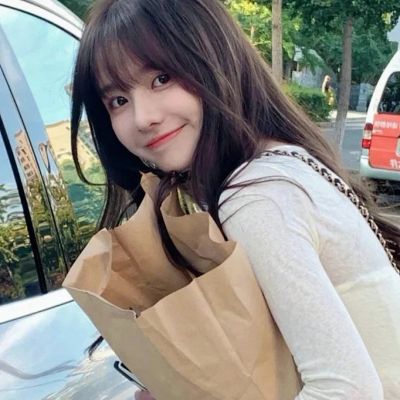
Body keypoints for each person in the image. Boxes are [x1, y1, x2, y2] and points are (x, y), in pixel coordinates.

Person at [71, 0, 400, 399]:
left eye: (161, 78)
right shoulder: (282, 163)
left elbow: (348, 391)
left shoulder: (256, 197)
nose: (143, 117)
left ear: (215, 59)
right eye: (118, 101)